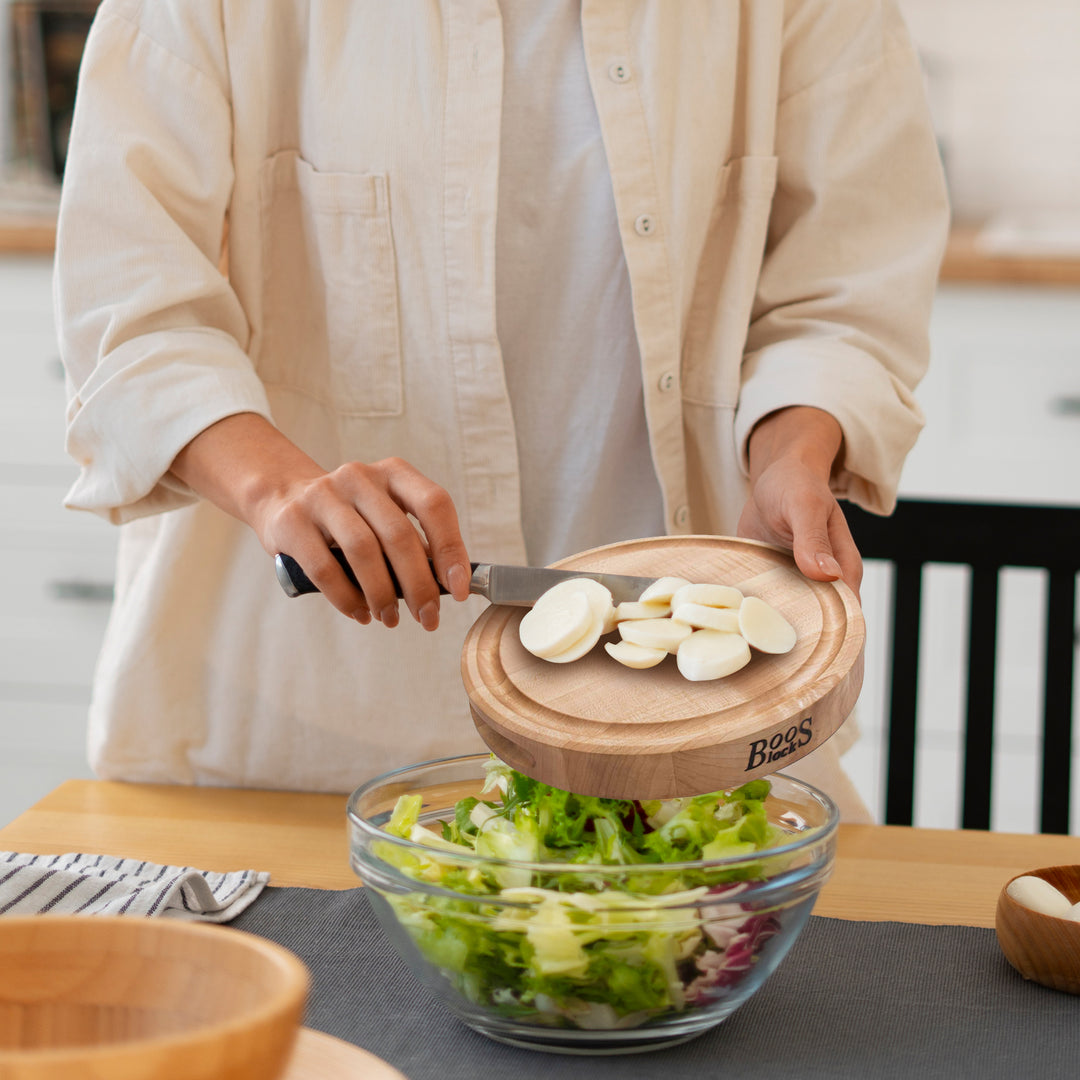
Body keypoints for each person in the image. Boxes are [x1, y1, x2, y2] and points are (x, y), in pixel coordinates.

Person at [54, 1, 948, 818]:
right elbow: (132, 320)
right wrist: (281, 490)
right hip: (287, 753)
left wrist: (789, 454)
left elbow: (845, 290)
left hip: (693, 745)